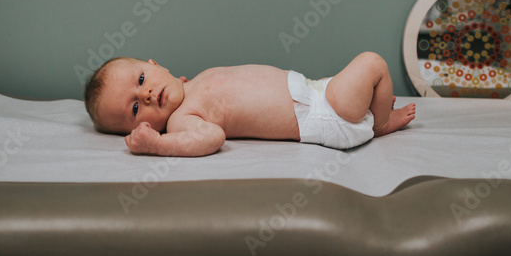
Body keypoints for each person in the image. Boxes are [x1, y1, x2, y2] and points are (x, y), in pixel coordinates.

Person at [84, 51, 415, 157]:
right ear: (141, 127)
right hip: (324, 115)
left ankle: (377, 112)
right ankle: (380, 123)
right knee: (372, 63)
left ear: (156, 65)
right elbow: (211, 137)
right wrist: (158, 144)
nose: (144, 95)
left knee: (366, 75)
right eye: (135, 110)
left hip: (316, 91)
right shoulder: (182, 119)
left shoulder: (190, 88)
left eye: (141, 80)